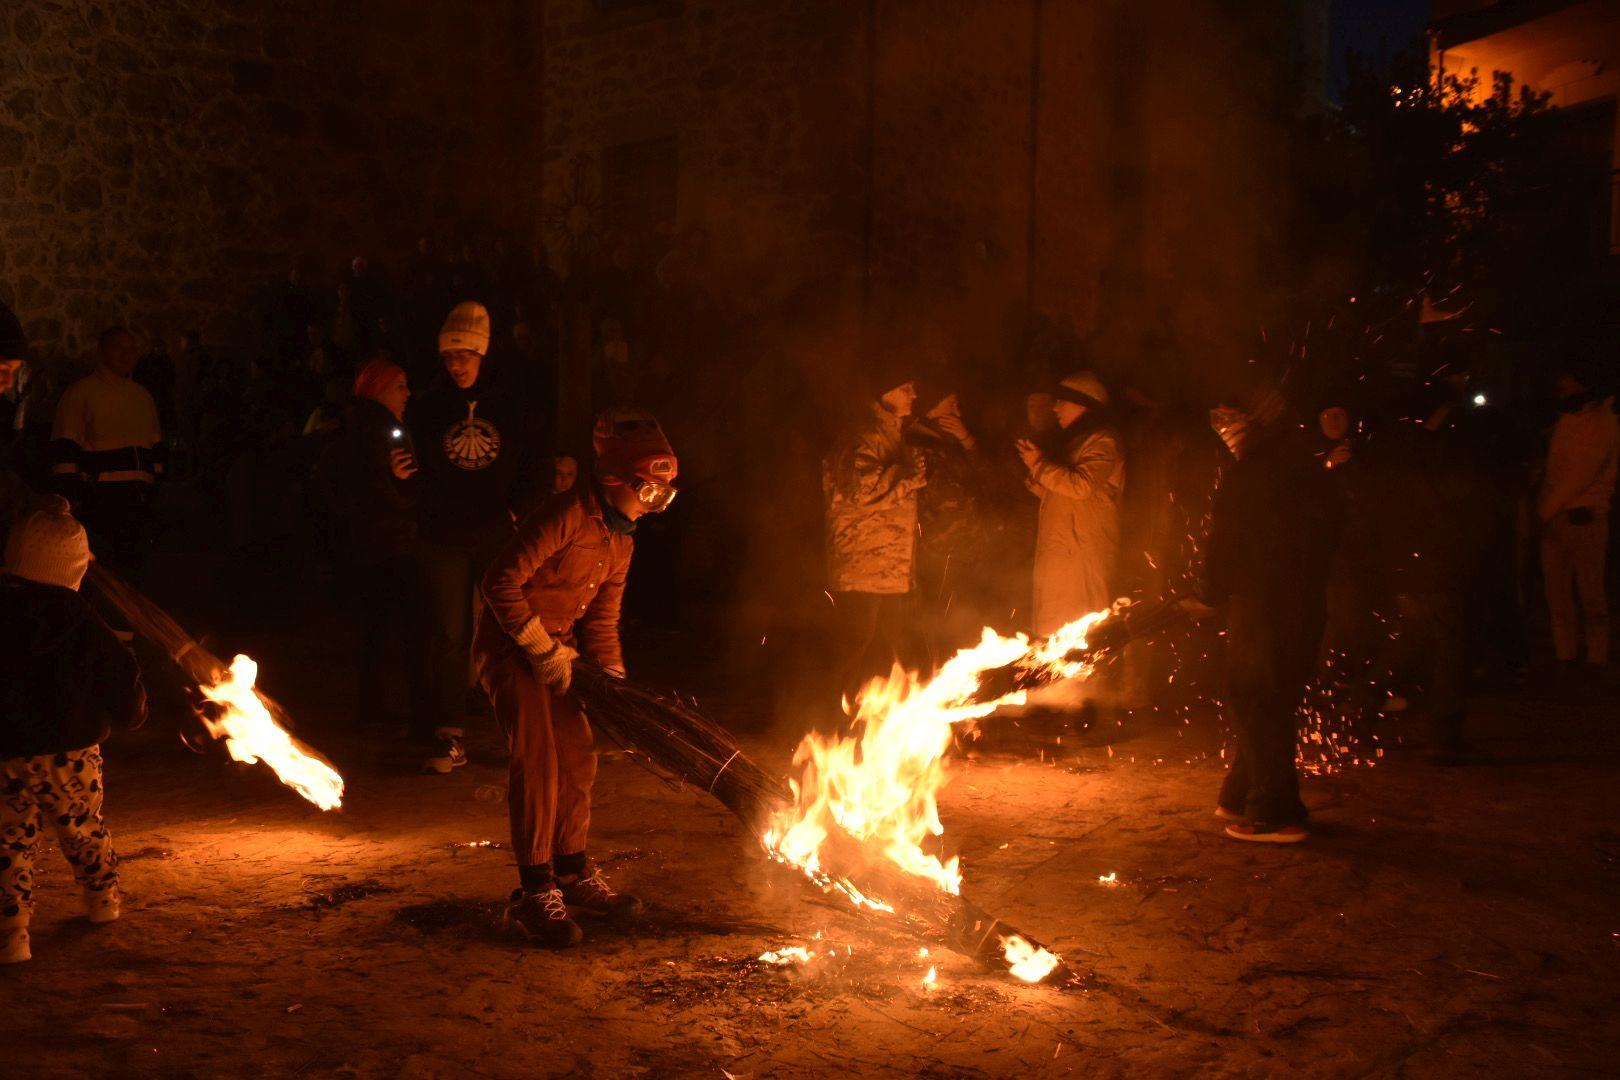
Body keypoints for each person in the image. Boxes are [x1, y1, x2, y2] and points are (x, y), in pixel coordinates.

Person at [474, 408, 678, 946]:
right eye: (649, 491)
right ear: (616, 480)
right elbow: (499, 580)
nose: (653, 504)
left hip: (560, 653)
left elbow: (604, 619)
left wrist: (610, 678)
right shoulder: (565, 516)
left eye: (664, 494)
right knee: (537, 758)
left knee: (577, 756)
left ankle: (572, 872)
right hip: (510, 645)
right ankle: (535, 892)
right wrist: (537, 644)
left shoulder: (622, 540)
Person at [1, 496, 146, 963]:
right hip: (69, 751)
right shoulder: (83, 621)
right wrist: (132, 713)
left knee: (8, 841)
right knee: (81, 828)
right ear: (74, 569)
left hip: (5, 748)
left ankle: (11, 931)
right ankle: (102, 900)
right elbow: (118, 675)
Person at [1191, 378, 1337, 843]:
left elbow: (1226, 541)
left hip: (1263, 601)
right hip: (1303, 599)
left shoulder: (1251, 472)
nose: (1222, 430)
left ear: (1255, 421)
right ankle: (1238, 794)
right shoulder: (1305, 464)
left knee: (1255, 699)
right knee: (1268, 700)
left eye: (1229, 420)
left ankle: (1274, 812)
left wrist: (1209, 592)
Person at [408, 301, 544, 773]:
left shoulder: (512, 405)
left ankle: (521, 732)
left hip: (495, 534)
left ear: (482, 354)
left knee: (508, 631)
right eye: (449, 358)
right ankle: (450, 734)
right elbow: (415, 463)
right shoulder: (427, 408)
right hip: (443, 536)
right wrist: (406, 478)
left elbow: (535, 464)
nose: (457, 365)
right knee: (450, 635)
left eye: (465, 355)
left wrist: (514, 511)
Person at [315, 356, 429, 738]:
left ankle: (372, 708)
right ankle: (420, 714)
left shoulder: (351, 431)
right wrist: (407, 489)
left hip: (361, 548)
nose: (408, 394)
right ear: (380, 391)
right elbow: (393, 493)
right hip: (392, 546)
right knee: (411, 631)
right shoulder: (385, 434)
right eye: (400, 386)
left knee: (374, 632)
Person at [823, 368, 927, 700]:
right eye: (904, 387)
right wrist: (908, 476)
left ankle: (870, 720)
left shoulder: (893, 435)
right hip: (861, 563)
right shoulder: (862, 436)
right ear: (883, 393)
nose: (913, 394)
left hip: (889, 568)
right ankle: (823, 717)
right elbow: (859, 491)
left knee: (890, 645)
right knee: (854, 642)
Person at [49, 328, 165, 583]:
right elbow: (65, 452)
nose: (127, 354)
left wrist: (156, 491)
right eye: (119, 348)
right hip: (101, 504)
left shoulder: (142, 397)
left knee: (134, 575)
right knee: (102, 576)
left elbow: (154, 450)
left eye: (131, 348)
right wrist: (72, 500)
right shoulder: (81, 394)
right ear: (102, 352)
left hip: (138, 502)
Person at [1016, 371, 1124, 636]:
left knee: (1080, 635)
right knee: (1054, 634)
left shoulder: (1103, 441)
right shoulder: (1076, 442)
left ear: (1083, 404)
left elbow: (1081, 486)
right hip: (1063, 554)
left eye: (1062, 401)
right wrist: (1038, 480)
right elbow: (1070, 497)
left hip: (1082, 556)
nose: (1055, 408)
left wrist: (1040, 466)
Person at [1538, 363, 1618, 671]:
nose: (1561, 384)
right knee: (1557, 593)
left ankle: (1596, 655)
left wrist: (1544, 510)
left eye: (1566, 379)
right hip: (1558, 518)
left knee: (1590, 591)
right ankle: (1566, 654)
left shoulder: (1600, 423)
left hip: (1583, 518)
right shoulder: (1568, 418)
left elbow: (1579, 476)